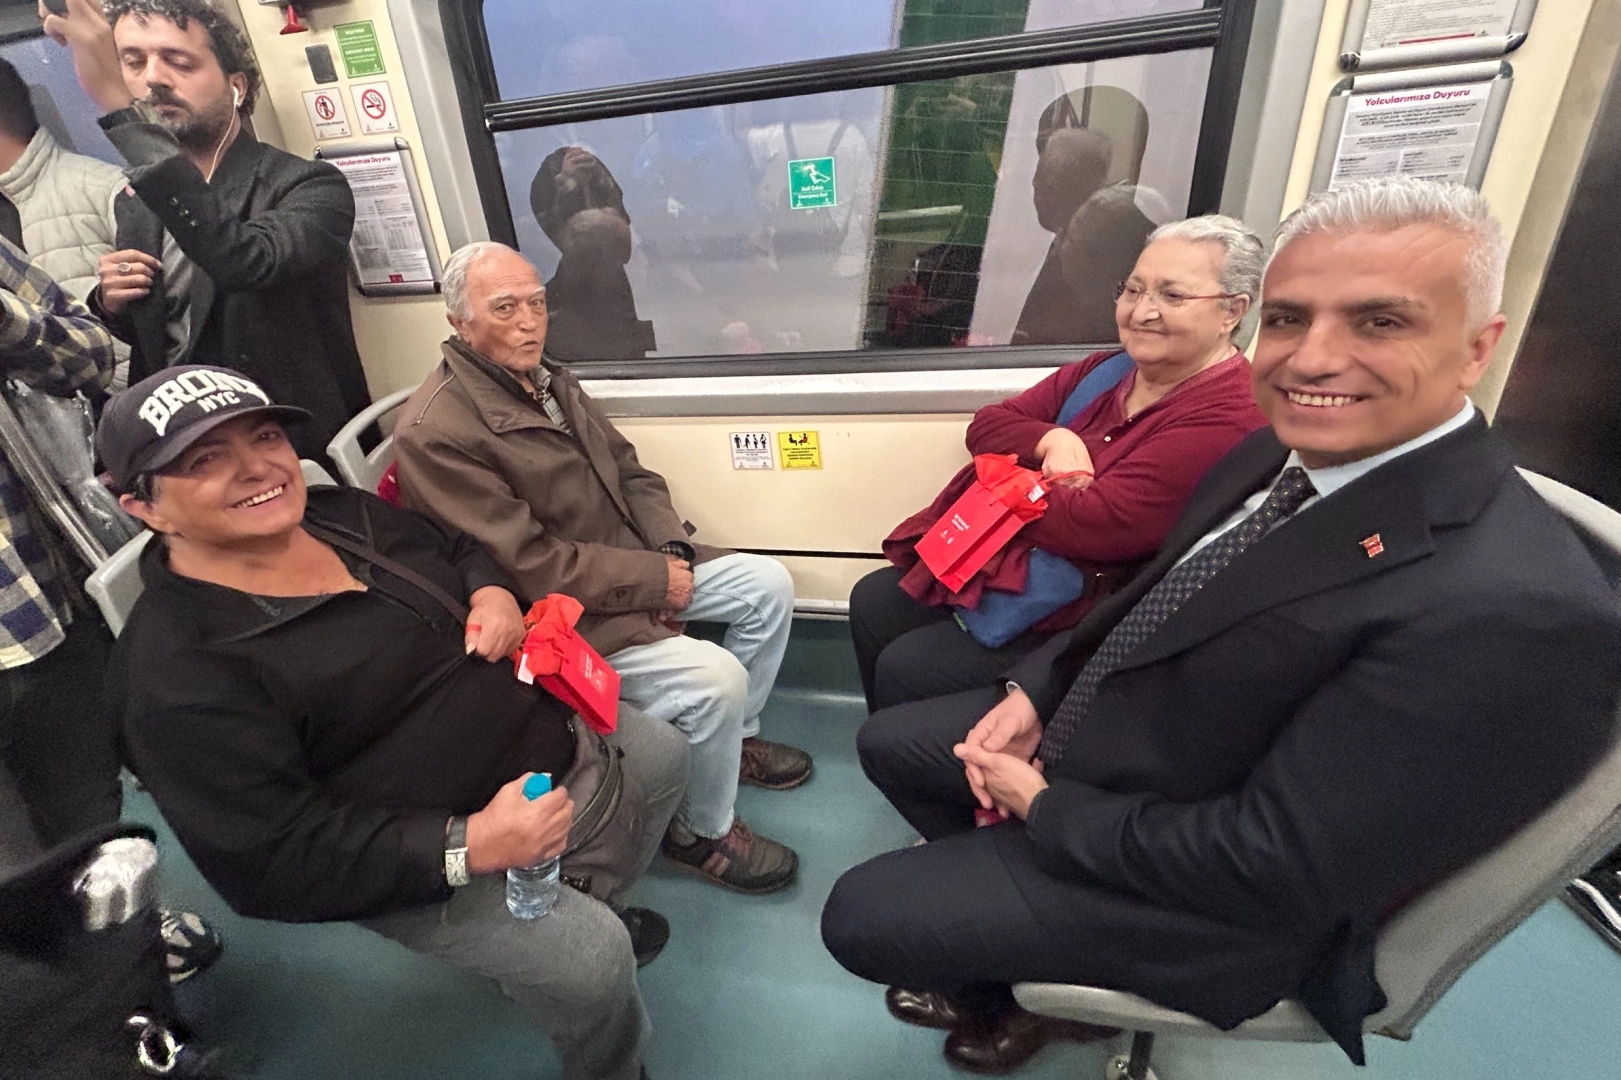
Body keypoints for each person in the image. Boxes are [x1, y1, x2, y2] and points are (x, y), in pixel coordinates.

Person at [821, 177, 1621, 1073]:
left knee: (863, 916)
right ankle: (1004, 937)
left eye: (1379, 322)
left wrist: (1044, 809)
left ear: (1476, 349)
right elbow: (1153, 591)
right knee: (891, 744)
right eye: (1288, 320)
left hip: (1214, 899)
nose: (1312, 359)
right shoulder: (1282, 448)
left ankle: (1036, 991)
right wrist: (1039, 692)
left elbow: (1275, 866)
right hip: (1141, 750)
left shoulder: (1512, 609)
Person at [101, 365, 690, 1080]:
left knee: (665, 754)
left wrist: (492, 592)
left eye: (265, 437)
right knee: (594, 962)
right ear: (143, 505)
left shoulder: (340, 514)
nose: (257, 468)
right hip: (428, 848)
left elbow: (457, 547)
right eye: (204, 460)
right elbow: (272, 861)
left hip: (538, 736)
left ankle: (591, 895)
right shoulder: (177, 675)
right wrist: (469, 844)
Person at [393, 241, 808, 895]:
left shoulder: (547, 379)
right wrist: (652, 583)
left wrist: (670, 554)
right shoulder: (436, 432)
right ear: (459, 323)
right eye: (505, 308)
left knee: (767, 586)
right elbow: (527, 565)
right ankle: (700, 831)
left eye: (537, 303)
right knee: (717, 679)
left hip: (626, 563)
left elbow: (630, 472)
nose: (530, 322)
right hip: (562, 614)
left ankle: (736, 742)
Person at [853, 215, 1270, 712]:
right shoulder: (1106, 371)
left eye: (1172, 296)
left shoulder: (1231, 413)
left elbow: (1096, 525)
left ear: (1232, 311)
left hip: (1090, 613)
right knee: (874, 601)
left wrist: (1003, 479)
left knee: (908, 667)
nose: (1142, 312)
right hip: (1020, 565)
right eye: (1133, 290)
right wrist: (1051, 438)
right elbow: (987, 426)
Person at [41, 0, 371, 462]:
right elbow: (166, 333)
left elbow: (246, 262)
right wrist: (111, 303)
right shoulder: (135, 202)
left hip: (285, 435)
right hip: (181, 443)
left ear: (236, 86)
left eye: (178, 61)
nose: (153, 79)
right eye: (133, 62)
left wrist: (120, 109)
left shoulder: (309, 185)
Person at [529, 146, 656, 362]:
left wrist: (596, 178)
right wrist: (566, 183)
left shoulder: (624, 282)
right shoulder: (552, 309)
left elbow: (620, 213)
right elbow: (547, 219)